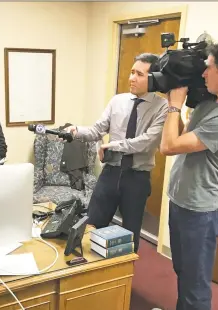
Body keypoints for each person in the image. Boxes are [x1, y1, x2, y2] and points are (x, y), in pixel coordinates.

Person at [160, 37, 218, 310]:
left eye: (210, 67)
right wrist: (173, 104)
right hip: (181, 202)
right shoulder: (207, 105)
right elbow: (180, 137)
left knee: (195, 289)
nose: (203, 73)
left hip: (201, 213)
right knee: (183, 273)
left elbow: (168, 146)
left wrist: (174, 106)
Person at [67, 53, 168, 252]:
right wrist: (75, 130)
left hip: (137, 179)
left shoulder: (162, 107)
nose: (131, 78)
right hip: (110, 174)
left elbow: (146, 142)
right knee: (91, 227)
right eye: (132, 72)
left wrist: (112, 146)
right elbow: (97, 131)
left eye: (139, 74)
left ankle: (123, 280)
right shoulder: (117, 101)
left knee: (130, 235)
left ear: (154, 78)